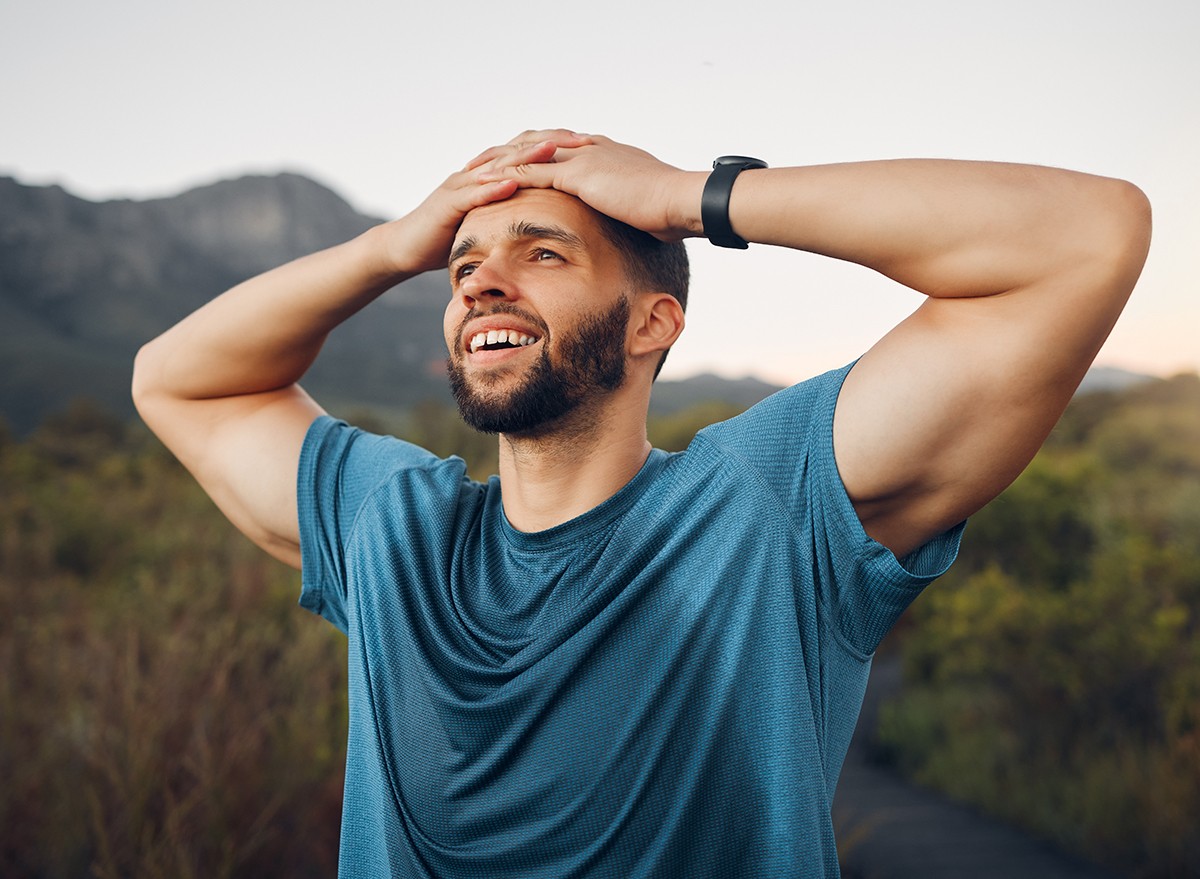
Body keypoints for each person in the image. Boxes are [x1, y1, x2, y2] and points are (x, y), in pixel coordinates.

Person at [131, 130, 1150, 878]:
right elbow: (176, 379)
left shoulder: (768, 504)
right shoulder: (391, 526)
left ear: (652, 323)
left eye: (544, 254)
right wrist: (393, 246)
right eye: (465, 268)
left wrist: (681, 195)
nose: (483, 284)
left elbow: (1084, 235)